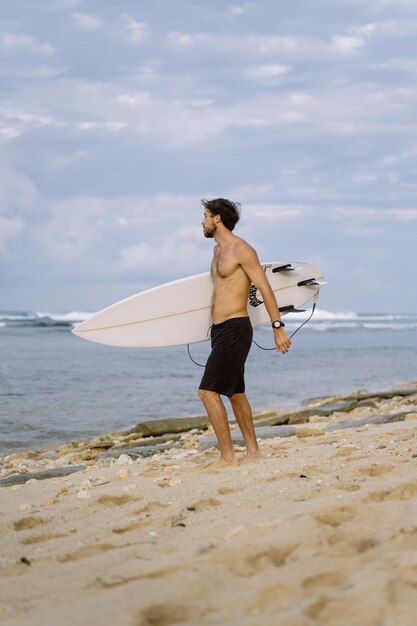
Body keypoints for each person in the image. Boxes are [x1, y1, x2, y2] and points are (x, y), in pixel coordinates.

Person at [198, 198, 292, 470]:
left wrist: (278, 328)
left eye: (205, 215)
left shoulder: (242, 249)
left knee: (207, 392)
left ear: (218, 219)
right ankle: (253, 451)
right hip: (220, 331)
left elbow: (264, 288)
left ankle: (228, 457)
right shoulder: (216, 252)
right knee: (235, 392)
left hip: (236, 328)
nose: (201, 221)